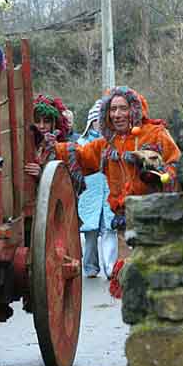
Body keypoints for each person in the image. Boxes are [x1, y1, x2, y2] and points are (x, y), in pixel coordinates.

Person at [50, 86, 180, 296]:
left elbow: (176, 165)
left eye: (123, 109)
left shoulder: (156, 134)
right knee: (130, 285)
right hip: (124, 223)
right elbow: (81, 157)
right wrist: (50, 146)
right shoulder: (106, 144)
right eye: (112, 109)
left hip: (155, 220)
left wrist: (161, 174)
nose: (117, 114)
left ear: (135, 110)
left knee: (157, 282)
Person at [77, 102, 117, 279]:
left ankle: (111, 268)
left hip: (109, 194)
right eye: (96, 121)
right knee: (90, 234)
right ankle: (91, 267)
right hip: (89, 194)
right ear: (90, 122)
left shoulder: (113, 143)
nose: (99, 125)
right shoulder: (82, 143)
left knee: (110, 230)